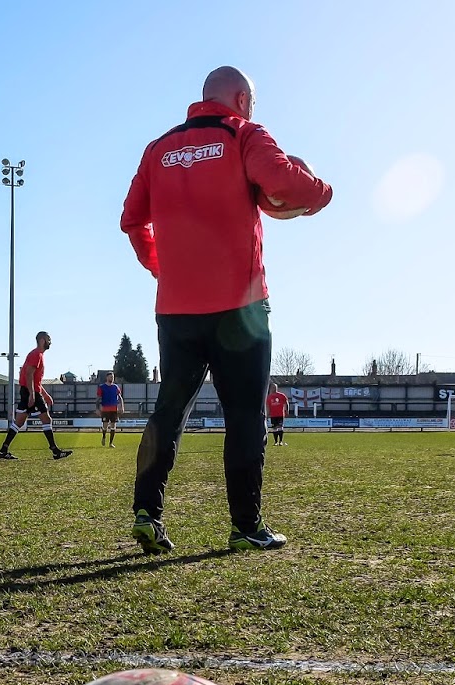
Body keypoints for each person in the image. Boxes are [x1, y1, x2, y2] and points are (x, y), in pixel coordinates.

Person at [120, 65, 332, 552]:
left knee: (168, 412)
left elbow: (131, 219)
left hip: (176, 309)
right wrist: (322, 192)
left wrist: (161, 268)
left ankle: (146, 513)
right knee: (244, 415)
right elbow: (284, 181)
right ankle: (245, 526)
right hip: (242, 308)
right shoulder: (245, 134)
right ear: (241, 99)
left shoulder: (158, 149)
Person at [0, 331, 71, 461]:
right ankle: (55, 451)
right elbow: (29, 375)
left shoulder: (37, 354)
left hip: (29, 391)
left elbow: (34, 379)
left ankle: (3, 450)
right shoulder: (36, 354)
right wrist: (32, 394)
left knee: (18, 423)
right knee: (47, 420)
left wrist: (45, 394)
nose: (50, 342)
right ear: (42, 340)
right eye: (49, 339)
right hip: (31, 393)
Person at [98, 372, 123, 447]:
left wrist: (122, 406)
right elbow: (98, 399)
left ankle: (111, 443)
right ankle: (104, 437)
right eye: (110, 377)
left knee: (113, 425)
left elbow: (120, 397)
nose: (112, 378)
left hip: (114, 409)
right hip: (105, 409)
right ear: (107, 378)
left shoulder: (115, 387)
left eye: (113, 377)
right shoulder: (102, 387)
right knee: (105, 425)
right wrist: (97, 408)